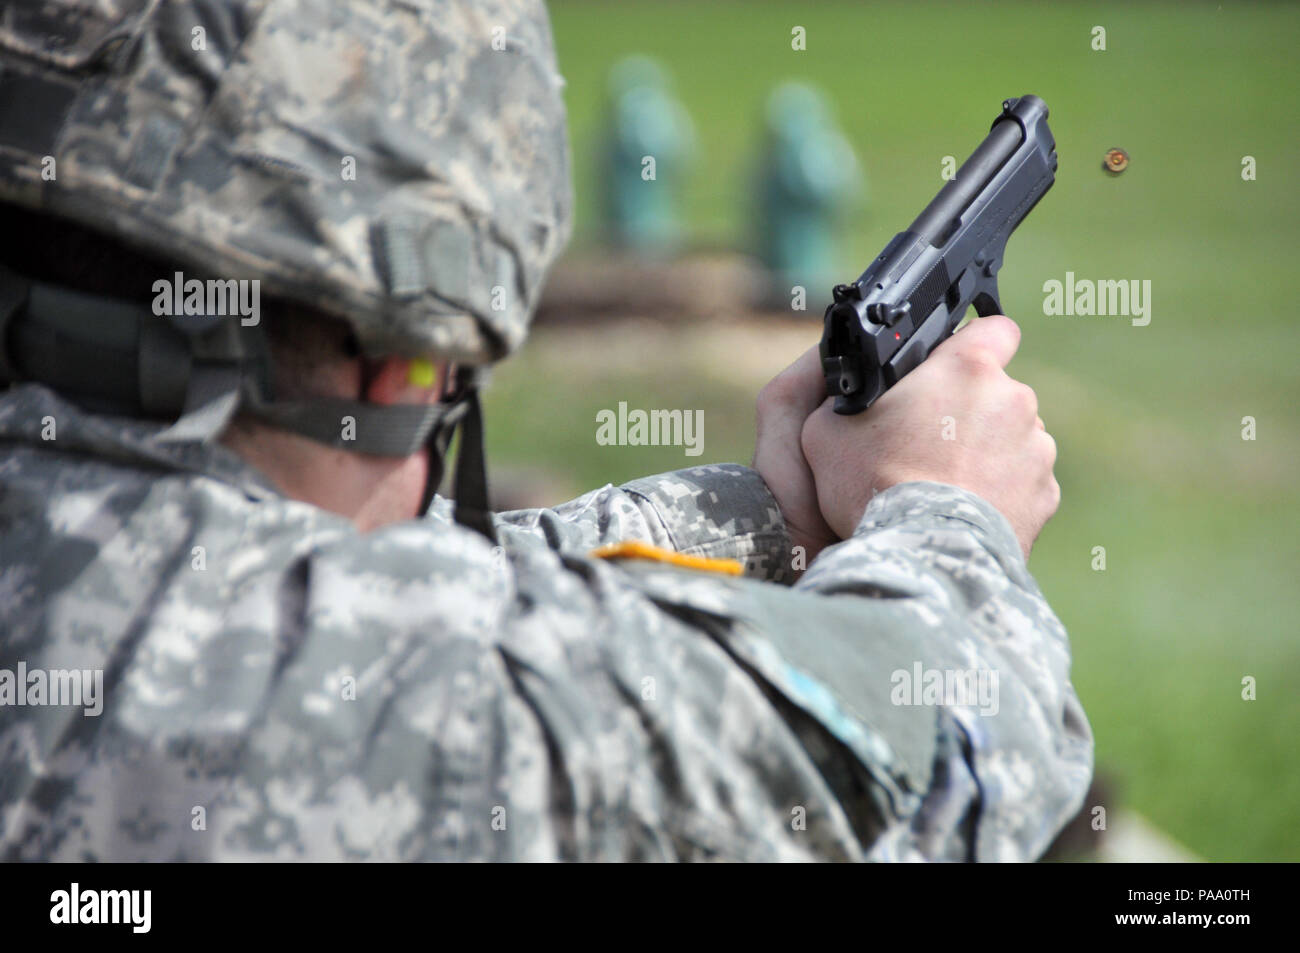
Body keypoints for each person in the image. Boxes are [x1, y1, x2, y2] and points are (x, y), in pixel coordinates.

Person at [0, 0, 1090, 861]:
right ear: (408, 362)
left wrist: (773, 509)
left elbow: (437, 576)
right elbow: (950, 753)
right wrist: (952, 512)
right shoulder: (406, 697)